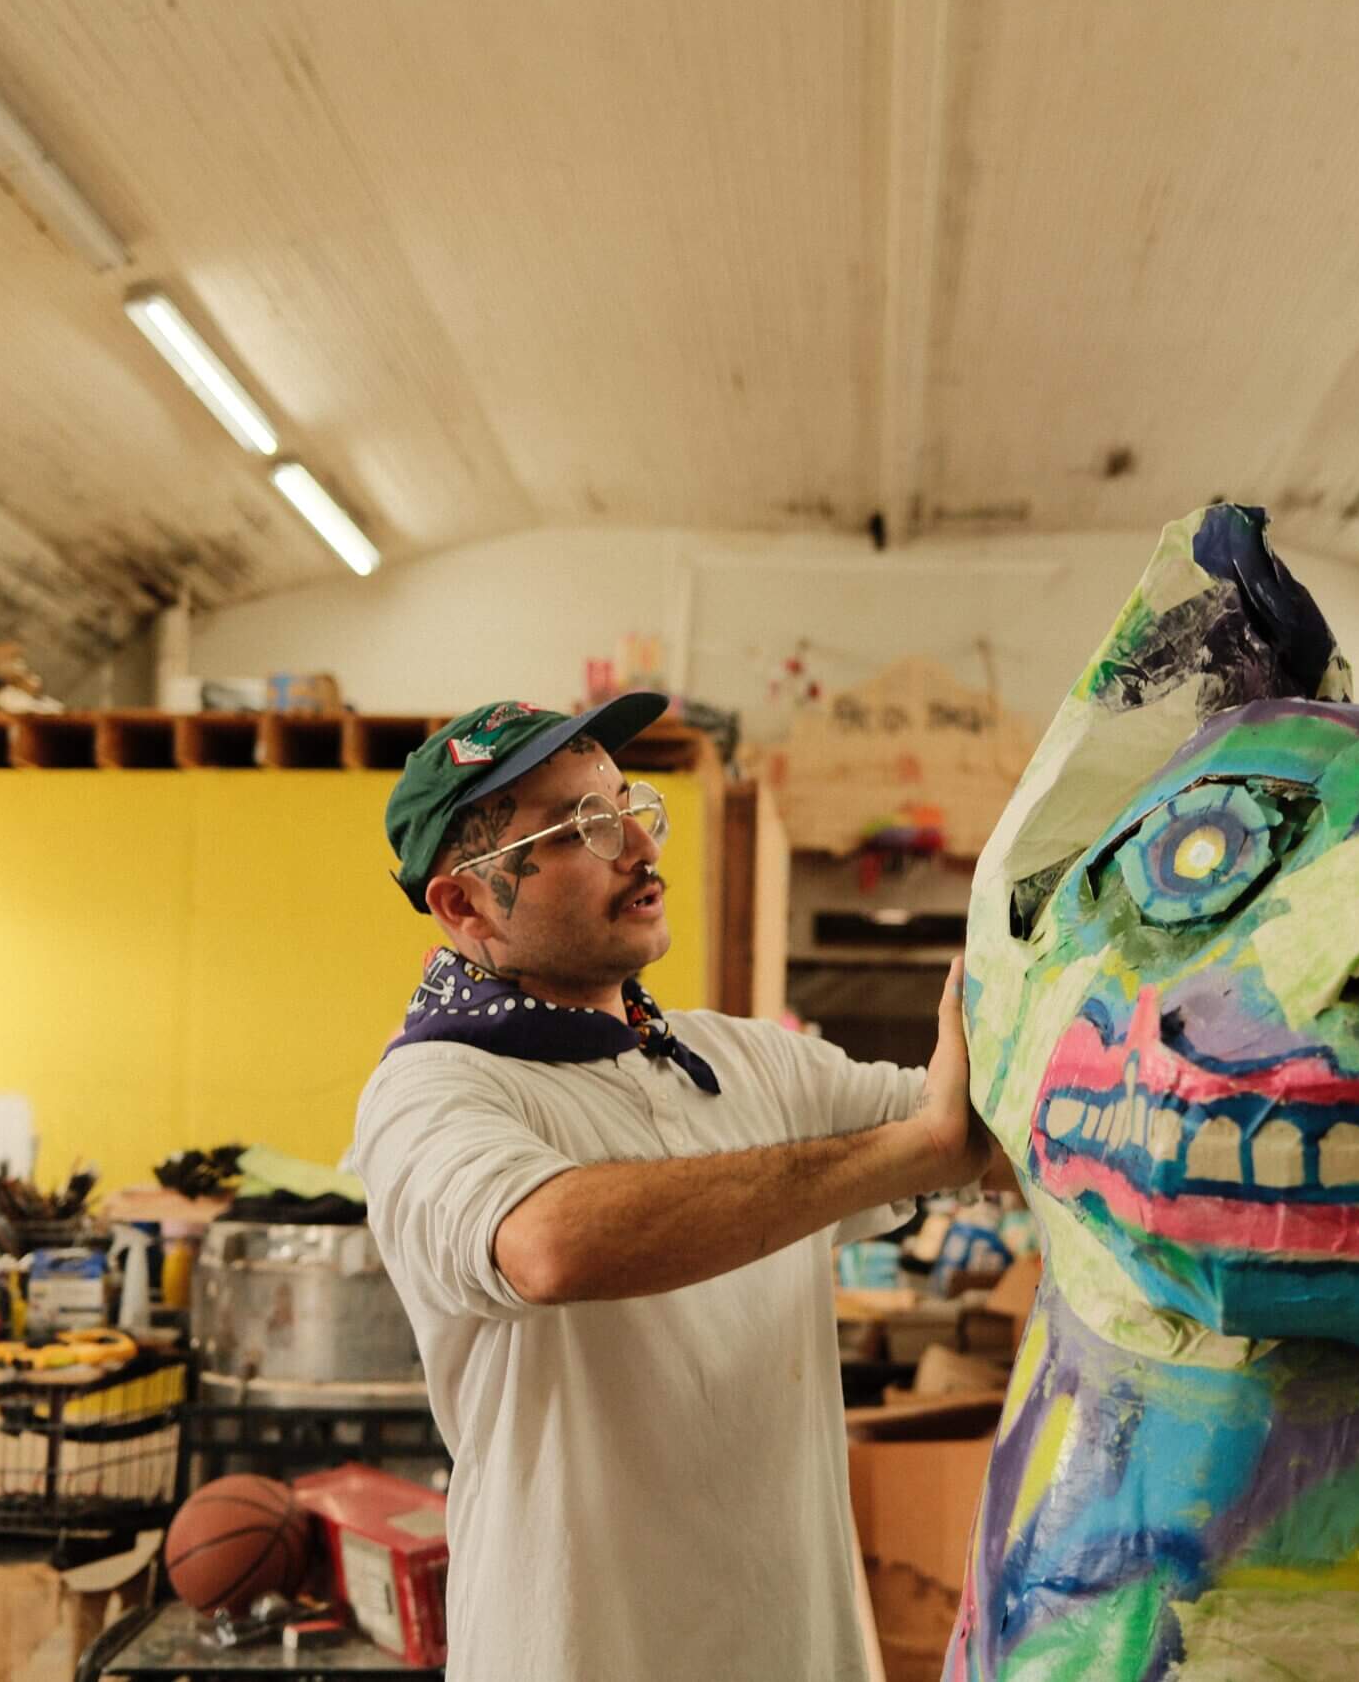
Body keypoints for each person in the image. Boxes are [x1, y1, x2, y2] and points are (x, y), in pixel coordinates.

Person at [348, 693, 990, 1682]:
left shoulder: (743, 1061)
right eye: (580, 829)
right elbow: (552, 1246)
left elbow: (970, 1127)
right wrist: (911, 1155)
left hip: (795, 1652)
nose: (638, 847)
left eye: (628, 806)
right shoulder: (431, 1089)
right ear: (464, 904)